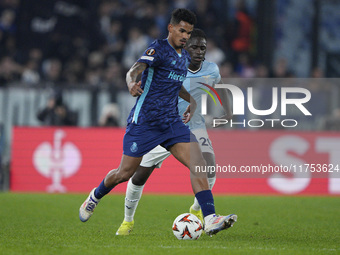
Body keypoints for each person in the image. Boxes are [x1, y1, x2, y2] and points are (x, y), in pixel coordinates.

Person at [79, 9, 236, 236]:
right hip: (144, 122)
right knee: (124, 173)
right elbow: (135, 69)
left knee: (198, 163)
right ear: (170, 28)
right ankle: (95, 196)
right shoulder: (158, 49)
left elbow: (176, 85)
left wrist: (190, 101)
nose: (185, 36)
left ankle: (210, 218)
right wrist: (131, 83)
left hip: (171, 123)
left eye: (188, 32)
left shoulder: (183, 57)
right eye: (182, 30)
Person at [116, 28, 234, 236]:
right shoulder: (171, 65)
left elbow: (222, 89)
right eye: (195, 47)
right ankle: (127, 221)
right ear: (185, 48)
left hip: (194, 126)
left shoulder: (212, 69)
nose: (199, 52)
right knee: (139, 175)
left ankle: (200, 213)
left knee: (209, 168)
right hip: (163, 126)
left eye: (203, 48)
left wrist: (229, 113)